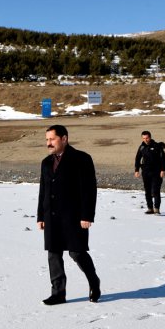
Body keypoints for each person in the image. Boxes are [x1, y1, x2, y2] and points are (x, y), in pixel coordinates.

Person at [37, 125, 101, 305]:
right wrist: (41, 216)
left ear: (64, 139)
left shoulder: (82, 159)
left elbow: (89, 190)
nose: (48, 143)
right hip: (51, 216)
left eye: (52, 139)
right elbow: (43, 191)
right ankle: (58, 293)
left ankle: (94, 281)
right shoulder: (46, 162)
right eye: (47, 140)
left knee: (77, 252)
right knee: (54, 254)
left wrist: (87, 215)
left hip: (74, 216)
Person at [134, 130, 165, 214]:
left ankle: (157, 209)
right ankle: (150, 208)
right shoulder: (141, 147)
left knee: (155, 190)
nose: (146, 139)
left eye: (147, 138)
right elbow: (137, 159)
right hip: (145, 172)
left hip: (157, 171)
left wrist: (163, 170)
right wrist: (137, 170)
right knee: (147, 191)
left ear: (150, 137)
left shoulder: (157, 146)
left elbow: (163, 159)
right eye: (144, 138)